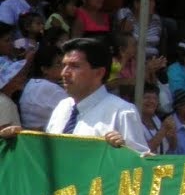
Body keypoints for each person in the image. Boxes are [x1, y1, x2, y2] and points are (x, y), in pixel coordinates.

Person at [0, 38, 147, 151]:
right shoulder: (62, 107)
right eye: (64, 65)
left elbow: (139, 166)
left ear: (99, 72)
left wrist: (123, 150)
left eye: (75, 66)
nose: (64, 73)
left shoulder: (122, 112)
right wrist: (21, 140)